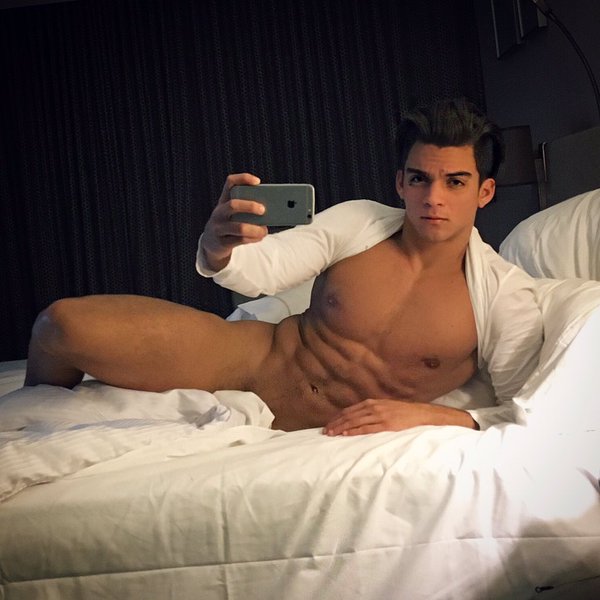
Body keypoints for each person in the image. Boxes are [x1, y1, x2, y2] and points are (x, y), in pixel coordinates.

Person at [24, 98, 543, 434]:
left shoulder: (502, 295)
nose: (433, 198)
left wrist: (432, 415)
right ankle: (21, 426)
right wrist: (219, 246)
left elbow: (528, 411)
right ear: (399, 183)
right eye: (419, 179)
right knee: (59, 325)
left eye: (455, 182)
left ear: (485, 191)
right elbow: (264, 269)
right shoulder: (360, 222)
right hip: (249, 361)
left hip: (329, 425)